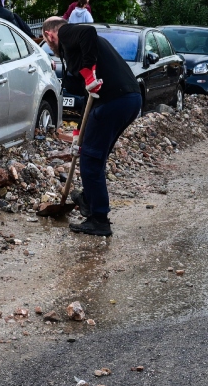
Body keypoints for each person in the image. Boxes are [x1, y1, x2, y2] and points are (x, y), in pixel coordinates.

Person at [40, 16, 141, 236]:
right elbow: (89, 96)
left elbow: (89, 32)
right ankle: (88, 199)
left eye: (47, 42)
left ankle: (99, 220)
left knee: (91, 160)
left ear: (49, 35)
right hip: (129, 100)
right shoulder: (78, 50)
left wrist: (88, 73)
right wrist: (79, 133)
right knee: (95, 155)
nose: (50, 46)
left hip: (113, 101)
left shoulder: (66, 33)